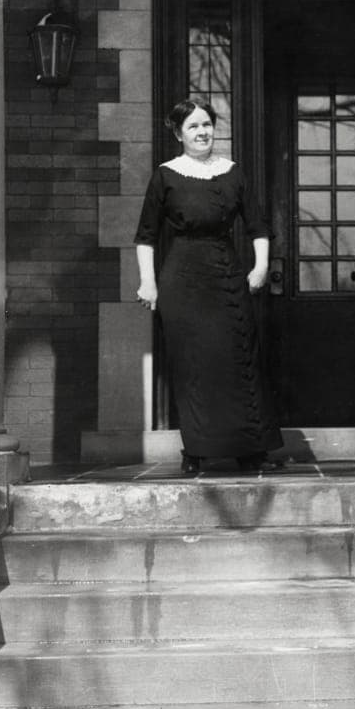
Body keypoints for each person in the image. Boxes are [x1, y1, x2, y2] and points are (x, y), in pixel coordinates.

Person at [134, 99, 283, 474]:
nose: (202, 133)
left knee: (237, 361)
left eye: (207, 125)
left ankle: (249, 448)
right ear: (178, 133)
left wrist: (260, 266)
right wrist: (148, 282)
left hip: (228, 275)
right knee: (194, 366)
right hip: (182, 282)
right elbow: (146, 236)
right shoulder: (166, 175)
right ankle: (196, 450)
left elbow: (258, 226)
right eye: (193, 127)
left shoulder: (233, 173)